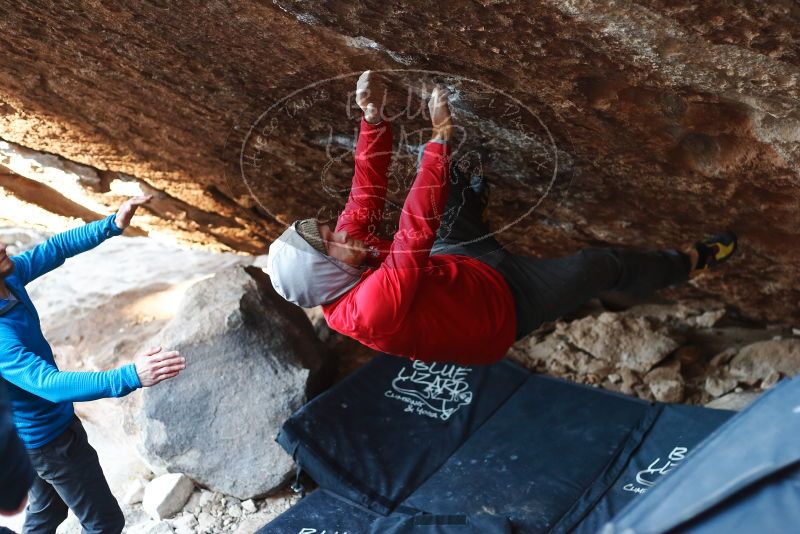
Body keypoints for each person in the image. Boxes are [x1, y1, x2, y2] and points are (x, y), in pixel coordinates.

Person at [267, 71, 737, 365]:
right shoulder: (369, 311)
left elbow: (365, 187)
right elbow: (412, 233)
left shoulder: (349, 252)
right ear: (330, 271)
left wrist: (372, 117)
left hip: (459, 268)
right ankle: (689, 262)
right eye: (331, 238)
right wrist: (438, 137)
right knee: (601, 266)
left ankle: (474, 196)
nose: (341, 228)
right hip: (507, 308)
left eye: (330, 228)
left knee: (452, 186)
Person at [0, 197, 186, 534]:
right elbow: (49, 384)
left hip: (28, 438)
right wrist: (130, 375)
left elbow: (55, 248)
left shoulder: (8, 281)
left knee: (46, 512)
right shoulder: (1, 338)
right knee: (104, 522)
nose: (1, 245)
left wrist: (112, 224)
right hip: (49, 440)